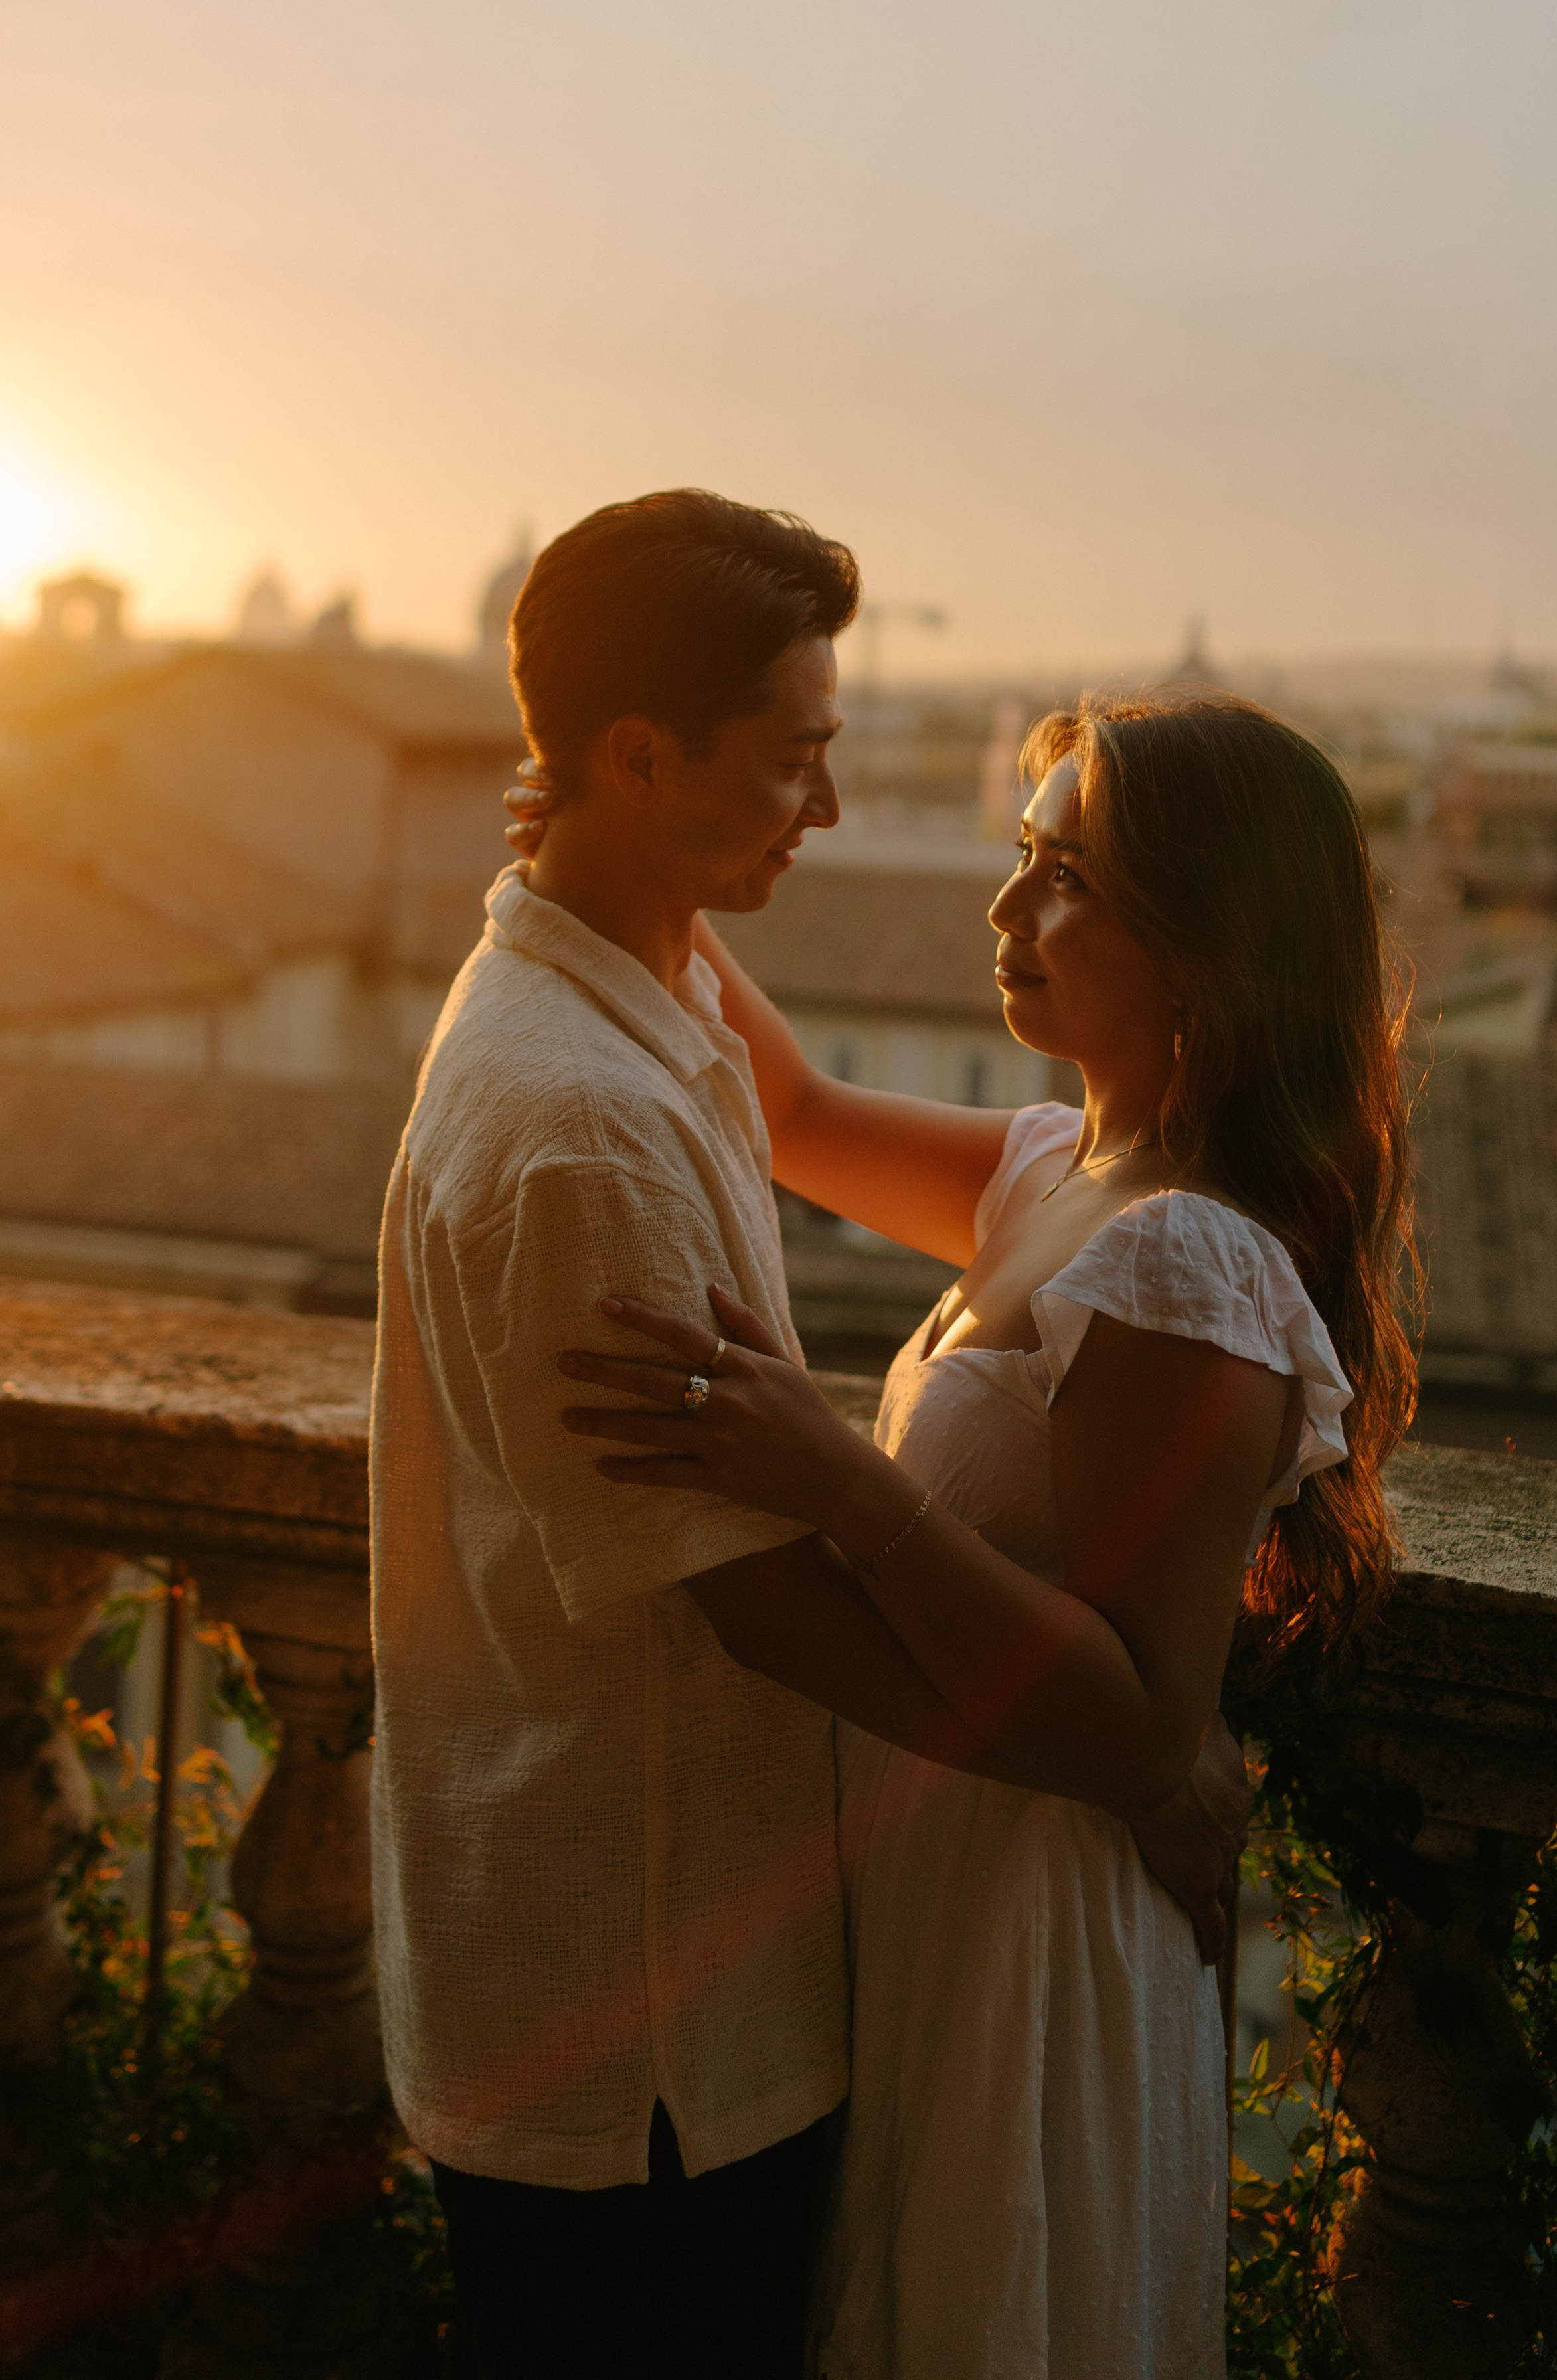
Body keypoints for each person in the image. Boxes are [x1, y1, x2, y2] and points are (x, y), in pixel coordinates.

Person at [372, 489, 1248, 2380]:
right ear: (632, 752)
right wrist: (1140, 1764)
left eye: (1057, 877)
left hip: (891, 1925)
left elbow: (770, 1096)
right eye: (794, 760)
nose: (835, 813)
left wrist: (617, 857)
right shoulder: (594, 1114)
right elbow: (758, 1604)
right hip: (671, 2021)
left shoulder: (1128, 1219)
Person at [534, 689, 1416, 2378]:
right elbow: (783, 1113)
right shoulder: (1048, 1175)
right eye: (1024, 855)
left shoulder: (1188, 1260)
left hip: (1030, 1928)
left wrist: (840, 1479)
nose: (1006, 907)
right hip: (935, 1882)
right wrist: (613, 839)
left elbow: (1144, 1725)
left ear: (1208, 944)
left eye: (1066, 875)